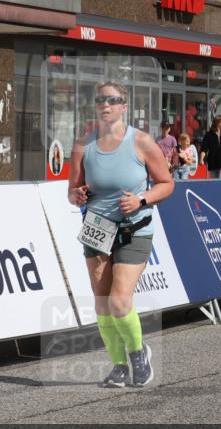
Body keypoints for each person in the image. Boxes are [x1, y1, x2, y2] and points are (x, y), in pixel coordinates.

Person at [68, 81, 175, 388]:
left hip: (134, 228)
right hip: (96, 228)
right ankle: (118, 367)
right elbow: (72, 190)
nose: (106, 104)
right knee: (102, 304)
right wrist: (77, 195)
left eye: (113, 100)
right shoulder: (82, 145)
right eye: (101, 100)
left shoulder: (141, 142)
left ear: (124, 107)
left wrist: (141, 200)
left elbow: (167, 184)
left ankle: (139, 354)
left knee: (118, 301)